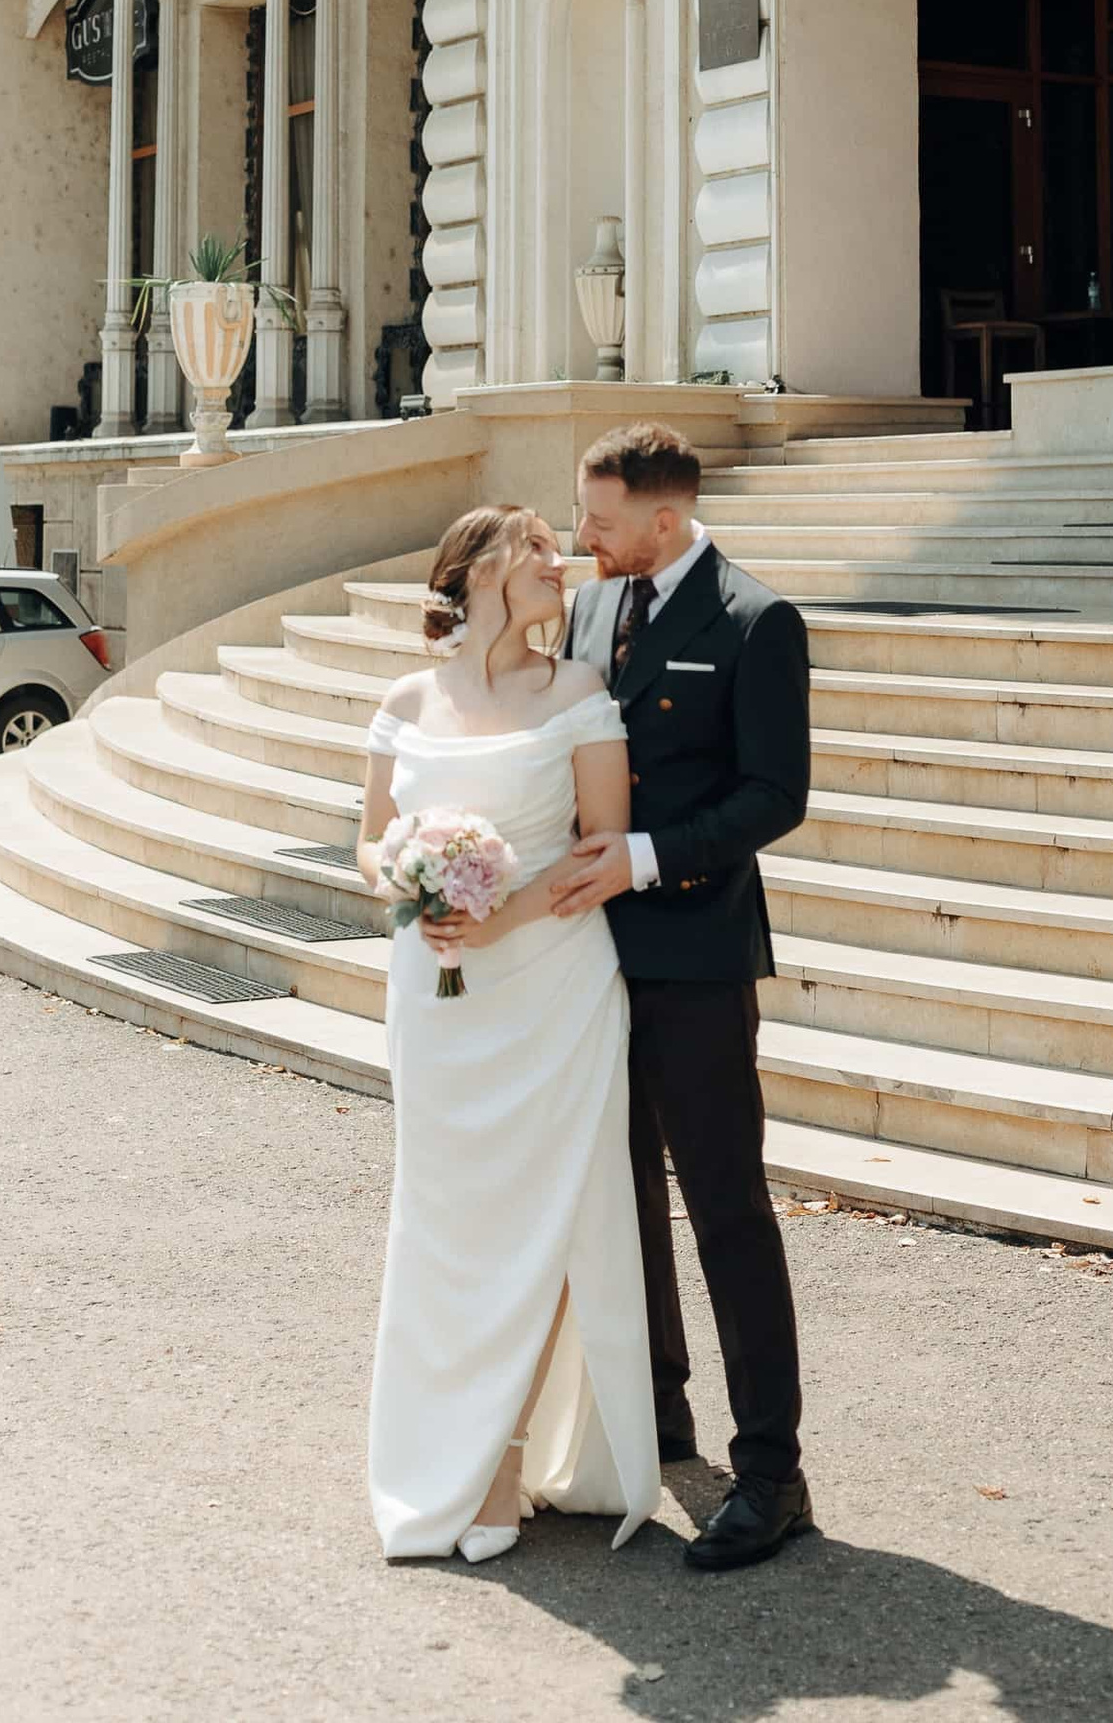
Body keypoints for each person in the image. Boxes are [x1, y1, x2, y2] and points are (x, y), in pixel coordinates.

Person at [357, 503, 659, 1564]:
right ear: (476, 567)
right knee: (445, 1219)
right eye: (533, 547)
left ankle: (504, 1455)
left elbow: (602, 848)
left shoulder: (578, 693)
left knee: (549, 1216)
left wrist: (501, 914)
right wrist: (410, 887)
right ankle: (436, 1438)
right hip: (434, 986)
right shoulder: (406, 700)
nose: (557, 561)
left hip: (552, 981)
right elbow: (367, 842)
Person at [554, 418, 815, 1573]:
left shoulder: (757, 620)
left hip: (698, 955)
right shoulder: (589, 609)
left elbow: (774, 795)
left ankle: (771, 1472)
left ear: (664, 519)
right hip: (586, 960)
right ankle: (657, 1413)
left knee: (724, 1208)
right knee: (620, 1199)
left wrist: (648, 859)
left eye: (599, 520)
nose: (582, 536)